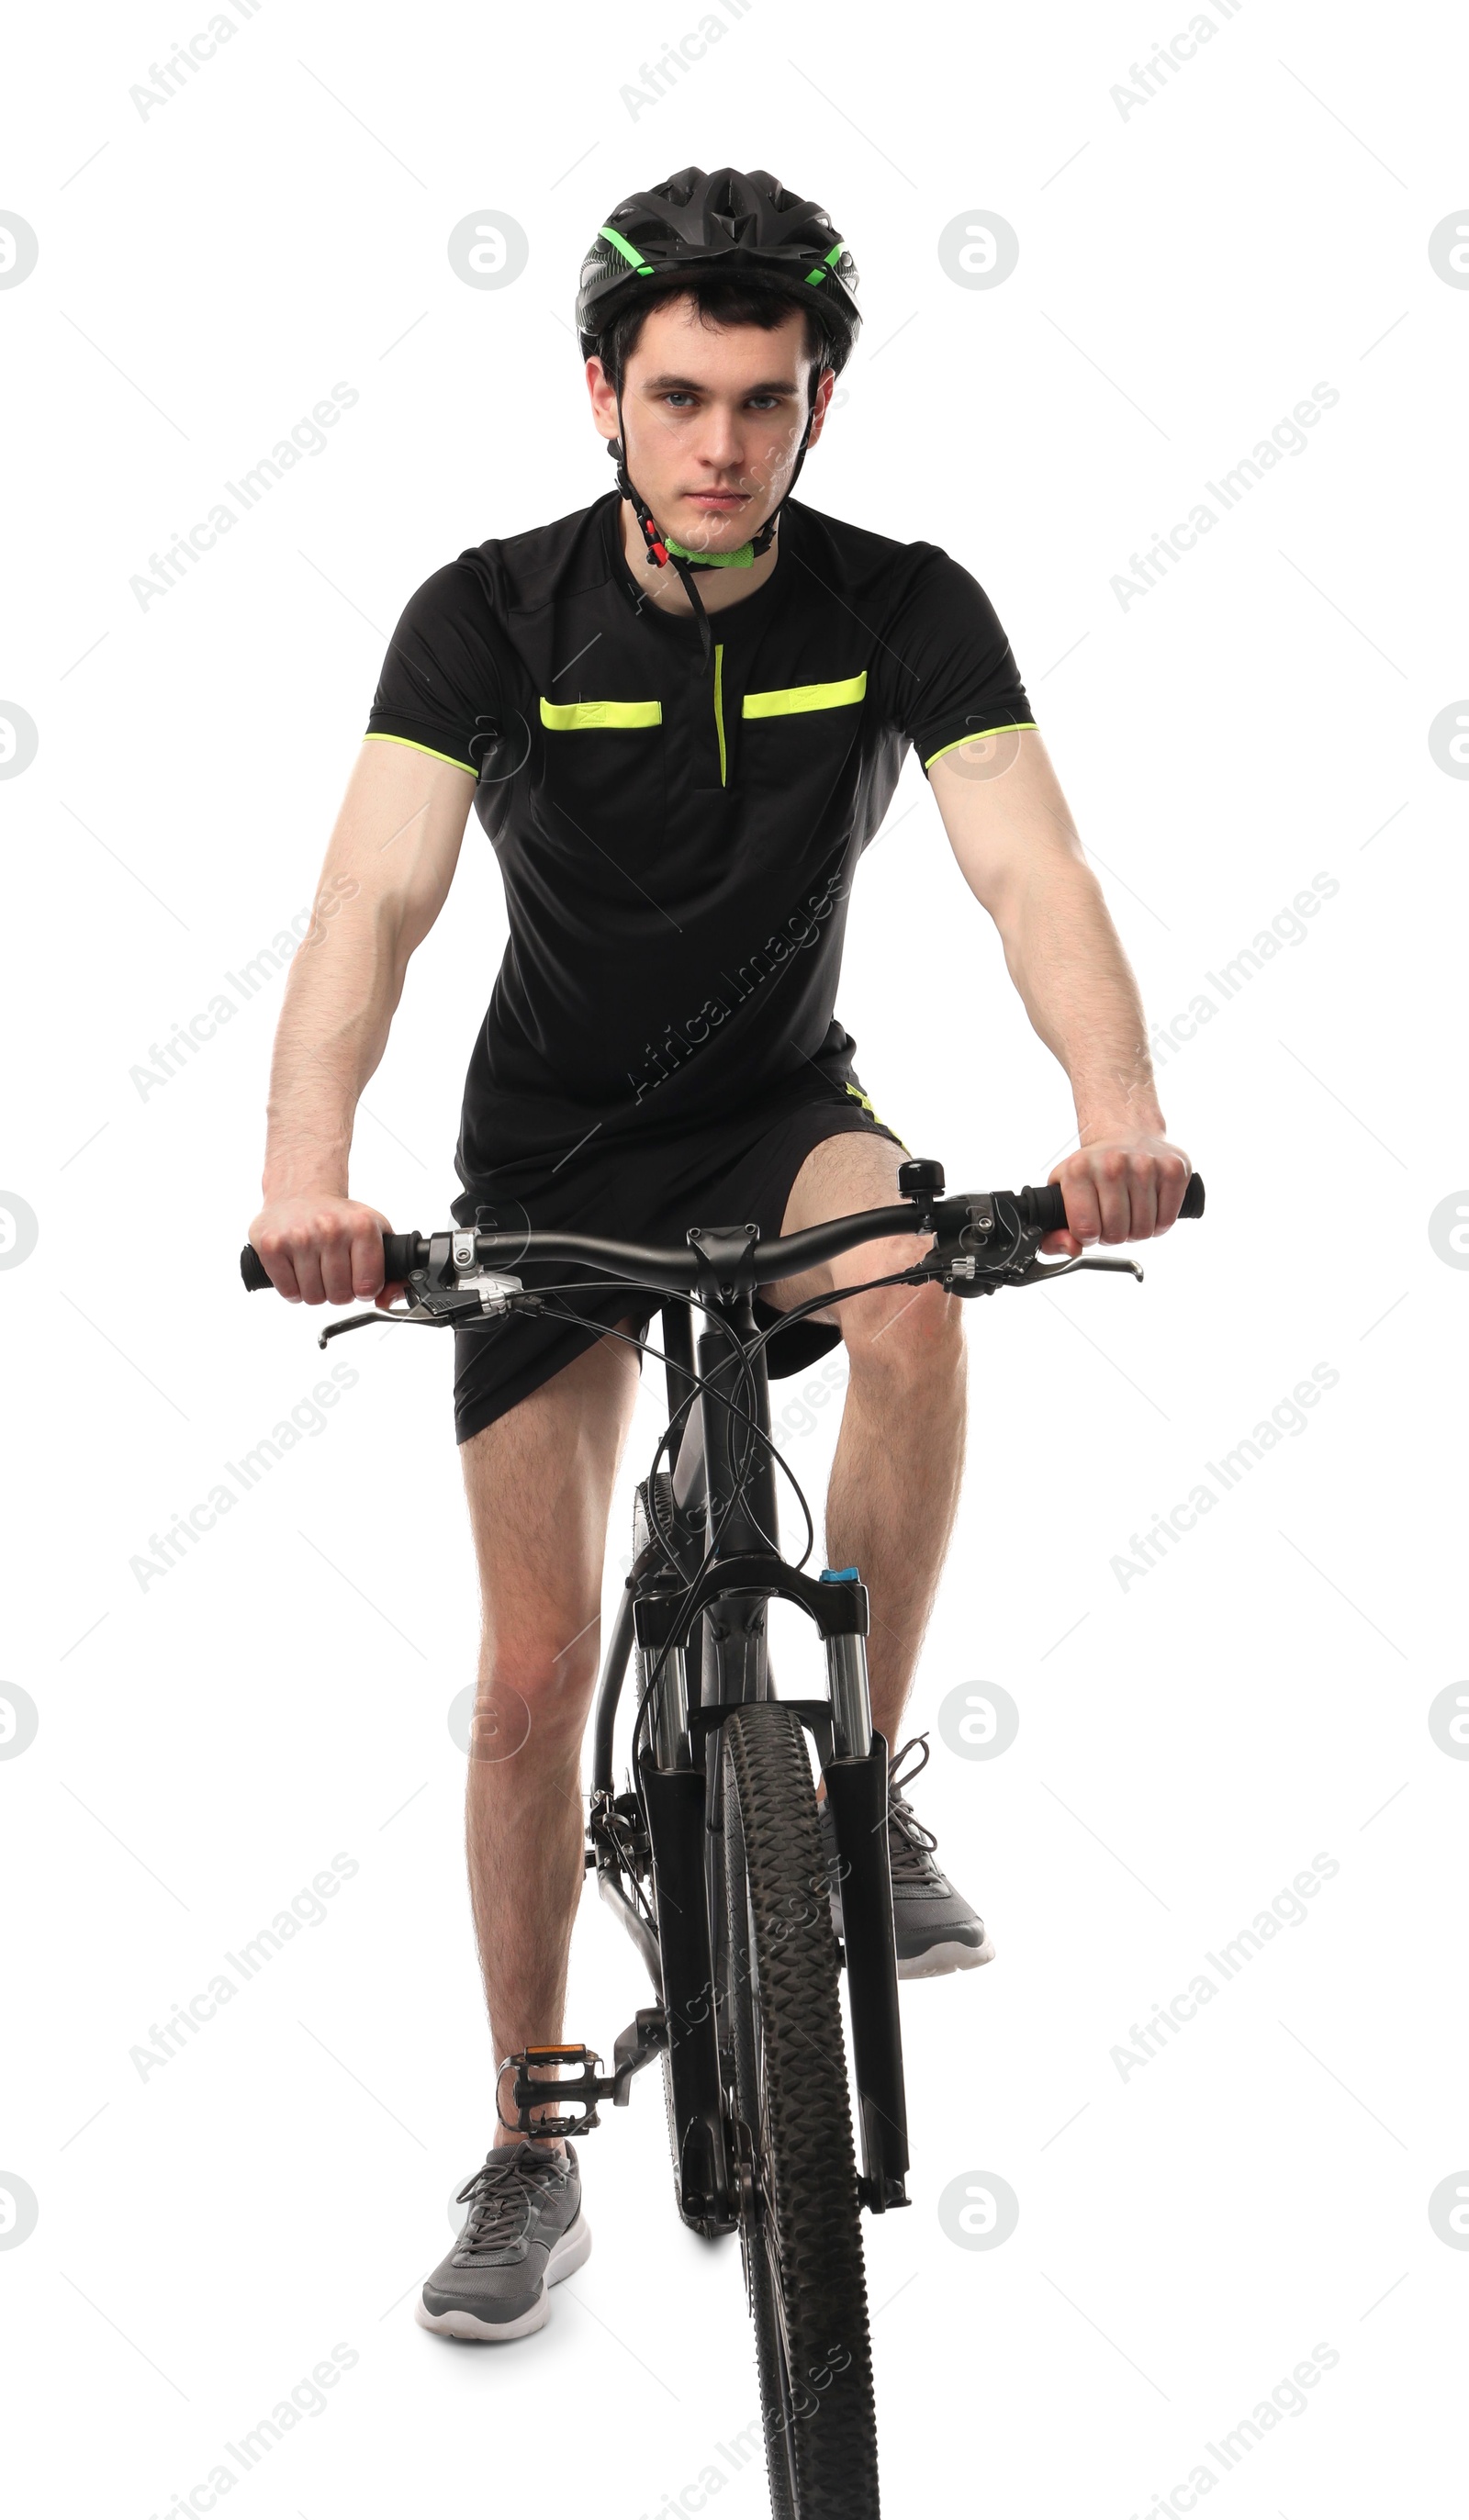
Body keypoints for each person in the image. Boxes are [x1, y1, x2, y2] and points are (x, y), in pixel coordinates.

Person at [247, 166, 1192, 2345]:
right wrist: (313, 1173)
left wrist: (1113, 1116)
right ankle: (523, 2129)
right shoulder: (485, 616)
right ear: (599, 390)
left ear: (817, 404)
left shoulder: (902, 604)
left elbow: (1026, 867)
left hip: (778, 1122)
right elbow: (369, 910)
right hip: (553, 1156)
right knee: (519, 1685)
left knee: (915, 1291)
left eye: (765, 403)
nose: (720, 448)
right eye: (678, 397)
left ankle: (849, 1782)